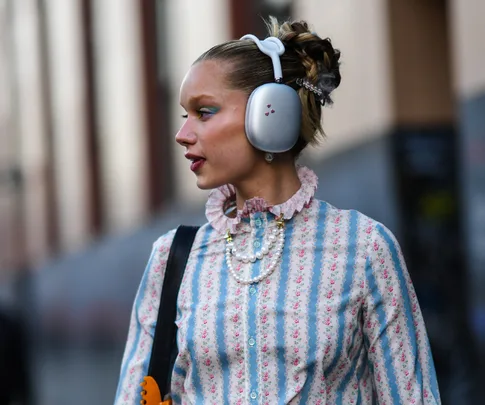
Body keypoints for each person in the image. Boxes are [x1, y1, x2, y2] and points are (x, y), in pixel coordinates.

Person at [114, 17, 441, 405]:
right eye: (186, 116)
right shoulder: (172, 259)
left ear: (270, 112)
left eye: (204, 112)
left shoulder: (364, 248)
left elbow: (412, 397)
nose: (183, 134)